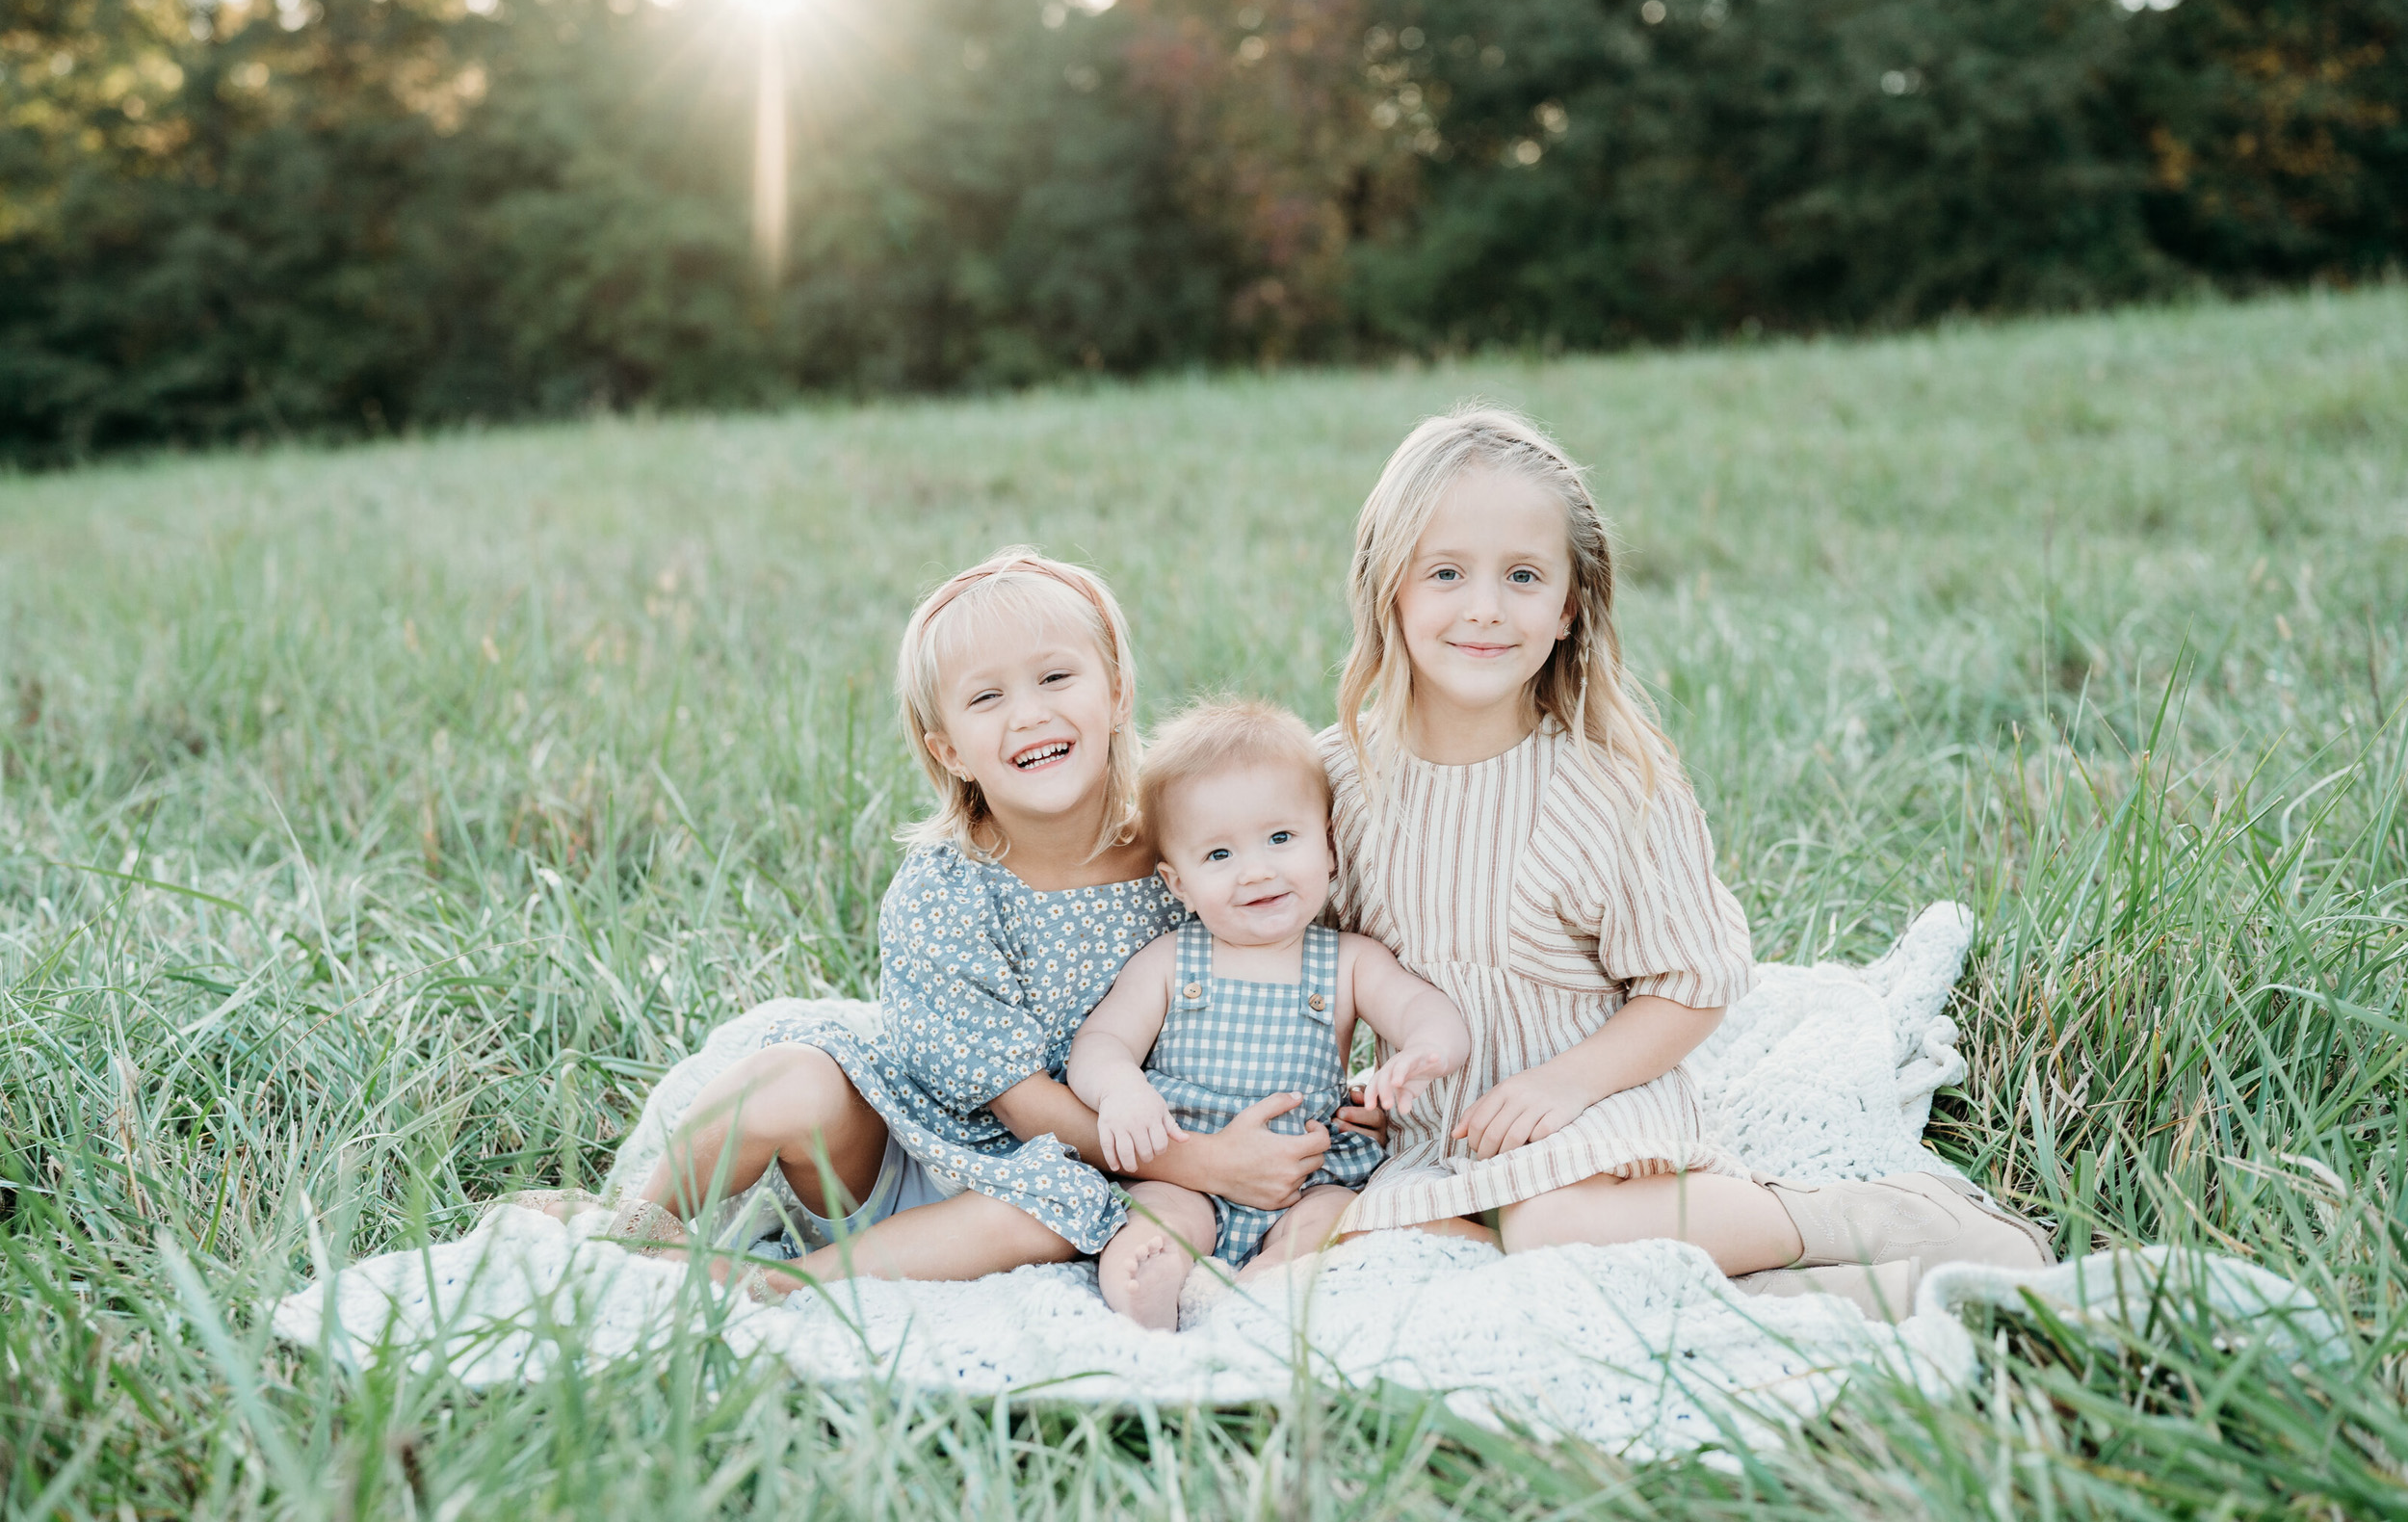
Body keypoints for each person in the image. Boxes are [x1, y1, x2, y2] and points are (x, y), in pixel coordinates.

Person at [1320, 407, 2049, 1319]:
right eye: (1446, 573)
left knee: (1549, 1225)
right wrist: (1354, 1085)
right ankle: (1832, 1295)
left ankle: (1839, 1222)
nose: (1484, 607)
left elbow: (1694, 982)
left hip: (1598, 1103)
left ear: (1567, 606)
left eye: (1522, 576)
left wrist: (1566, 1084)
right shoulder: (1342, 779)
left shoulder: (1608, 786)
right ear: (1388, 588)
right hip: (1440, 1129)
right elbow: (1319, 962)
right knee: (1374, 1245)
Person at [539, 548, 1338, 1294]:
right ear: (949, 748)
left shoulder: (1190, 864)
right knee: (787, 1074)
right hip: (916, 1146)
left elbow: (1288, 961)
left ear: (1118, 693)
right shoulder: (946, 891)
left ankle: (796, 1282)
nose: (1028, 714)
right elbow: (1023, 1109)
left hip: (1087, 1178)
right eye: (987, 697)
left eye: (1056, 677)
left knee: (1049, 1209)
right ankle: (635, 1229)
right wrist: (1210, 1164)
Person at [1067, 700, 1470, 1328]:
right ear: (1178, 884)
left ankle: (1265, 1280)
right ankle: (1157, 1280)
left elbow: (1421, 1006)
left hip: (1305, 1174)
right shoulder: (1171, 959)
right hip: (1189, 1163)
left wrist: (1427, 1047)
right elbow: (1101, 1041)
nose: (1256, 871)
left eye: (1281, 839)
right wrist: (1121, 1090)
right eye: (1219, 856)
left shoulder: (1348, 961)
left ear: (1330, 848)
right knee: (1159, 1217)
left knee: (1335, 1213)